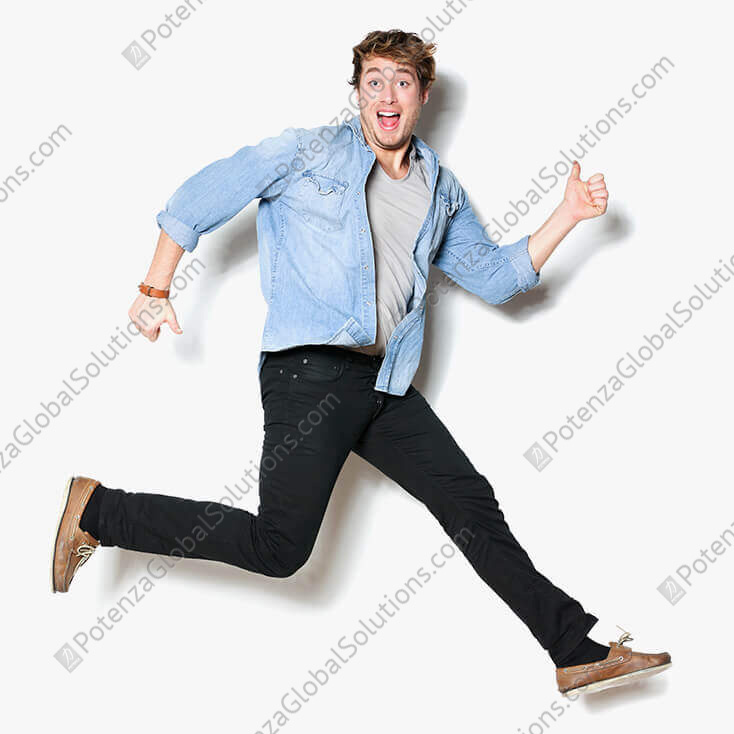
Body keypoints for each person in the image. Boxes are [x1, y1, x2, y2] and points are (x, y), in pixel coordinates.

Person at [51, 29, 670, 695]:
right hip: (308, 372)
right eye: (374, 81)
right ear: (357, 93)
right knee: (280, 549)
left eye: (402, 82)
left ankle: (574, 648)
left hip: (385, 383)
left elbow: (495, 277)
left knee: (469, 501)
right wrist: (154, 288)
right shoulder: (308, 152)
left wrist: (568, 214)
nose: (387, 95)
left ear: (422, 95)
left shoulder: (438, 186)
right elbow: (198, 198)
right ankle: (99, 511)